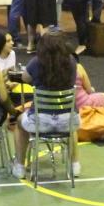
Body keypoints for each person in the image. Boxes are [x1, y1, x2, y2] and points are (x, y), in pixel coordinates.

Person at [13, 31, 81, 177]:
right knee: (72, 126)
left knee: (19, 123)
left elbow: (25, 78)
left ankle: (19, 165)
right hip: (67, 121)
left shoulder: (36, 62)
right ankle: (75, 164)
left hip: (40, 122)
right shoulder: (71, 62)